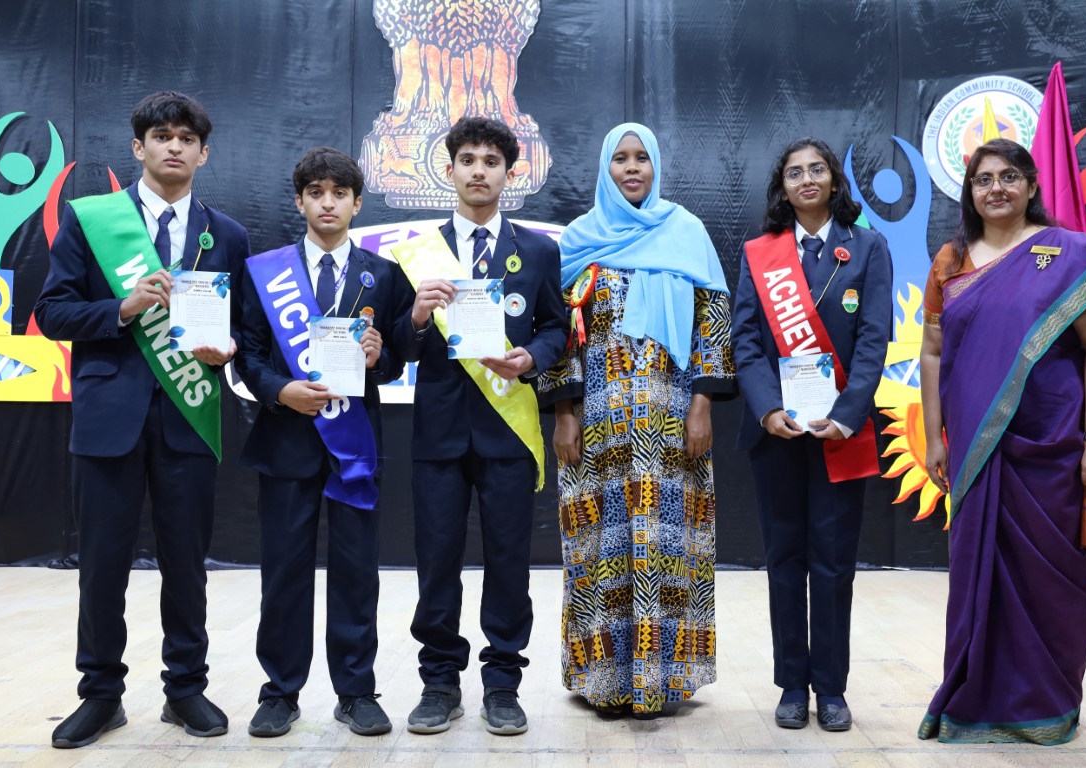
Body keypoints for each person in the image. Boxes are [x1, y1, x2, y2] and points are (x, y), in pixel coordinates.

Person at [917, 138, 1086, 745]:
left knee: (1053, 581)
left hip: (1054, 445)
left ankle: (1048, 707)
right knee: (976, 574)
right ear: (969, 192)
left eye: (1009, 177)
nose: (996, 188)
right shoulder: (951, 260)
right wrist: (934, 435)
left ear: (1030, 186)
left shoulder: (1070, 254)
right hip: (976, 446)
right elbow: (933, 351)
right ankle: (972, 701)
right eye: (983, 180)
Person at [34, 91, 249, 748]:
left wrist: (229, 347)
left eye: (187, 138)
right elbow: (51, 313)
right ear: (139, 147)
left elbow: (245, 329)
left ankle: (185, 689)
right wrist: (122, 309)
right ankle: (101, 694)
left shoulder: (228, 234)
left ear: (204, 153)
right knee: (102, 563)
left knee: (187, 563)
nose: (174, 147)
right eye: (161, 136)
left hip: (190, 413)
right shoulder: (92, 220)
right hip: (110, 418)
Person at [539, 123, 735, 720]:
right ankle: (603, 681)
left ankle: (662, 680)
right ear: (605, 167)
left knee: (667, 544)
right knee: (599, 546)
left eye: (641, 158)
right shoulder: (579, 239)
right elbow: (558, 332)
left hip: (671, 425)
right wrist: (564, 412)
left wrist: (702, 405)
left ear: (655, 167)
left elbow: (714, 323)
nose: (631, 168)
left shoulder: (686, 232)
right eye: (620, 159)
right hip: (597, 426)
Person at [389, 117, 568, 735]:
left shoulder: (537, 251)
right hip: (438, 432)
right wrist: (416, 317)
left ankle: (503, 684)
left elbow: (556, 327)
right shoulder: (417, 254)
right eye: (467, 160)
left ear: (509, 174)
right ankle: (439, 682)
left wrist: (532, 358)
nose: (478, 171)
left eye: (492, 161)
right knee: (437, 561)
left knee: (510, 561)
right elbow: (398, 349)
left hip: (508, 430)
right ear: (449, 169)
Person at [235, 147, 406, 738]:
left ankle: (356, 691)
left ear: (357, 203)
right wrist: (280, 390)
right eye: (316, 193)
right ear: (300, 201)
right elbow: (249, 354)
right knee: (284, 572)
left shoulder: (384, 274)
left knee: (357, 572)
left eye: (339, 194)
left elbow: (398, 358)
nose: (327, 203)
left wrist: (381, 357)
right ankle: (280, 692)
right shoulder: (266, 272)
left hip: (354, 444)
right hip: (287, 443)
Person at [731, 137, 892, 732]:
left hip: (838, 431)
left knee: (833, 563)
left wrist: (847, 414)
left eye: (816, 169)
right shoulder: (760, 253)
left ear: (832, 180)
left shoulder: (868, 247)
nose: (806, 180)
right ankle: (792, 685)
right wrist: (768, 409)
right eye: (794, 172)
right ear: (783, 186)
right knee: (784, 560)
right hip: (777, 433)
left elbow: (874, 339)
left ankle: (831, 688)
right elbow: (746, 339)